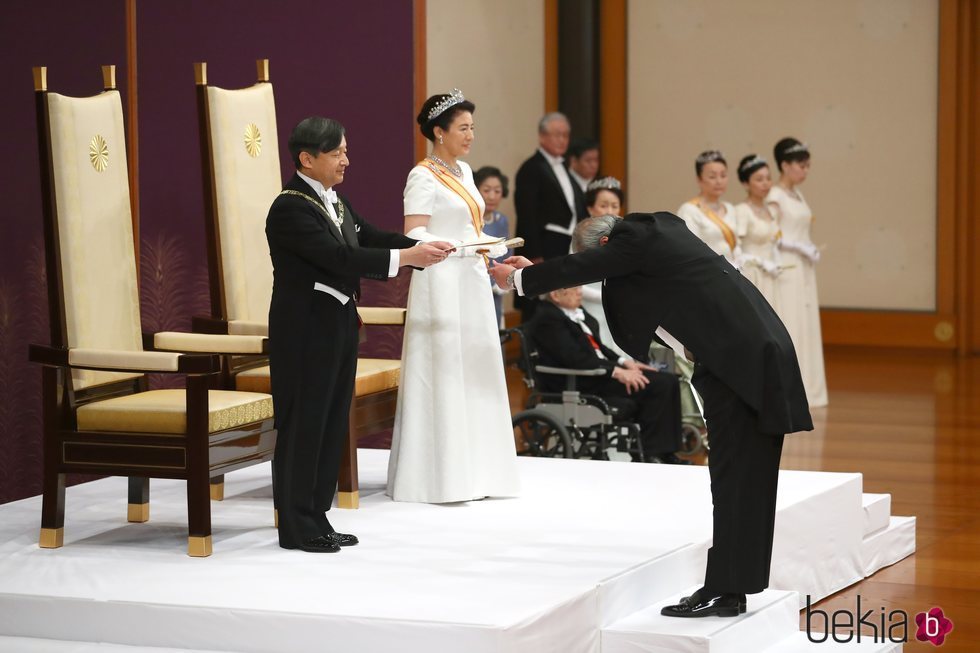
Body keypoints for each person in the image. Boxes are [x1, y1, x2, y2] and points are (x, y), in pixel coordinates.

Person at [489, 214, 812, 618]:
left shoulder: (633, 238)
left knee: (734, 480)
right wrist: (537, 271)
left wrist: (519, 281)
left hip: (739, 366)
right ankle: (733, 588)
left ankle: (725, 589)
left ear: (605, 244)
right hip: (753, 355)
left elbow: (585, 267)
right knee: (748, 480)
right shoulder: (659, 232)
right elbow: (589, 269)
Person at [266, 117, 453, 553]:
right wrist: (407, 255)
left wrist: (421, 249)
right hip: (305, 328)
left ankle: (317, 514)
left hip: (338, 322)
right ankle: (295, 525)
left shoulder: (334, 200)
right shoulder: (290, 207)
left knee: (331, 420)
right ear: (306, 159)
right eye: (337, 153)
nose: (346, 160)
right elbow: (338, 256)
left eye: (346, 151)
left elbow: (369, 236)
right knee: (304, 423)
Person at [387, 90, 521, 504]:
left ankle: (481, 472)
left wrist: (501, 250)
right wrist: (449, 247)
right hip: (442, 282)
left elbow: (473, 230)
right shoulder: (423, 176)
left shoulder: (464, 170)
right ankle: (439, 477)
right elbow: (413, 233)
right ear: (439, 132)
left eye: (472, 128)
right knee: (444, 368)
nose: (470, 135)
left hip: (472, 281)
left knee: (476, 368)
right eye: (463, 128)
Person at [526, 285, 686, 464]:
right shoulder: (548, 319)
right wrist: (616, 372)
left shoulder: (576, 313)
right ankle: (652, 453)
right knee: (658, 385)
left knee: (669, 379)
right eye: (574, 289)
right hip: (579, 381)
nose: (580, 292)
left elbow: (599, 349)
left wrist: (625, 363)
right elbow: (574, 359)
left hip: (597, 373)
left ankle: (666, 452)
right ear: (555, 295)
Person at [767, 138, 828, 407]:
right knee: (791, 322)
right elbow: (770, 235)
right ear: (784, 165)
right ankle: (789, 390)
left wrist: (809, 247)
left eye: (807, 166)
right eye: (801, 165)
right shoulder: (774, 196)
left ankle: (809, 389)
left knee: (805, 324)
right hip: (787, 266)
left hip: (803, 266)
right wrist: (799, 246)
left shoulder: (797, 195)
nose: (805, 170)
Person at [514, 112, 586, 261]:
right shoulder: (531, 168)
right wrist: (534, 254)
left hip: (568, 245)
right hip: (545, 246)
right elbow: (527, 215)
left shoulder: (565, 167)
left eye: (566, 135)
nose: (562, 140)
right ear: (542, 136)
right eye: (557, 135)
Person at [580, 176, 626, 357]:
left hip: (620, 307)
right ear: (590, 208)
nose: (610, 211)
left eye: (615, 206)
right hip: (592, 307)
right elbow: (574, 283)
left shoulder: (625, 236)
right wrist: (606, 297)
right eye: (604, 205)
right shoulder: (581, 237)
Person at [733, 155, 782, 309]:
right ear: (746, 183)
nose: (765, 183)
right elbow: (736, 248)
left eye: (768, 178)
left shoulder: (773, 210)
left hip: (771, 274)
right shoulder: (742, 211)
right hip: (751, 273)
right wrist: (759, 262)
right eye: (759, 179)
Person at [676, 150, 741, 265]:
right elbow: (690, 249)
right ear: (699, 179)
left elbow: (737, 245)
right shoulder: (689, 210)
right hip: (708, 272)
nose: (719, 181)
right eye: (712, 177)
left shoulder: (730, 208)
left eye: (723, 175)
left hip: (733, 272)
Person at [474, 165, 513, 327]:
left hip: (497, 287)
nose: (492, 196)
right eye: (486, 190)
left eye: (497, 191)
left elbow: (507, 252)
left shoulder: (501, 220)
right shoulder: (471, 221)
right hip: (474, 287)